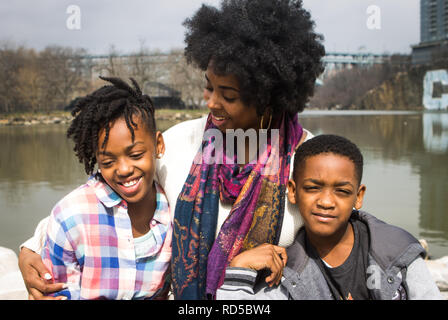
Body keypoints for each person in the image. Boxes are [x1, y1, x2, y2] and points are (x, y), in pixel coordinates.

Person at [18, 0, 325, 300]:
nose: (211, 103)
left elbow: (344, 227)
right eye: (209, 86)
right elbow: (102, 194)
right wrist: (32, 246)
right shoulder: (182, 141)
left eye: (227, 95)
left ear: (267, 98)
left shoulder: (308, 159)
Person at [216, 135, 442, 300]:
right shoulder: (287, 270)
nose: (326, 201)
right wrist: (239, 267)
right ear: (293, 191)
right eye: (313, 188)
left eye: (342, 191)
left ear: (358, 196)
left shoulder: (395, 251)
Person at [38, 76, 172, 299]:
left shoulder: (174, 208)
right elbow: (57, 292)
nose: (124, 169)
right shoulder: (71, 217)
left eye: (136, 155)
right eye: (108, 162)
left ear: (158, 145)